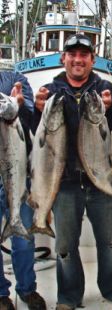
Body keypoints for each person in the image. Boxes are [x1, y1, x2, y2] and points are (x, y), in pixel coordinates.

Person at [33, 33, 112, 310]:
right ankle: (69, 296)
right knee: (65, 247)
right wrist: (37, 110)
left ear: (92, 60)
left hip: (100, 181)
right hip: (63, 183)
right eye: (72, 55)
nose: (78, 60)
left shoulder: (104, 87)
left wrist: (111, 108)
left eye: (84, 55)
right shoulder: (49, 91)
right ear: (64, 58)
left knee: (110, 243)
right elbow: (36, 132)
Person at [0, 70, 46, 310]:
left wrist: (18, 105)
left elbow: (30, 117)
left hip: (18, 173)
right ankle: (0, 294)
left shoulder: (14, 78)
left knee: (24, 240)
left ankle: (27, 289)